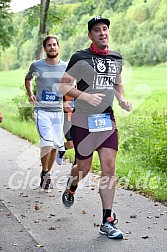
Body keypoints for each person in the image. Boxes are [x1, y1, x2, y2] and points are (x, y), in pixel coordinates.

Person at [60, 16, 132, 239]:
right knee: (84, 168)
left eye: (105, 29)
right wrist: (85, 96)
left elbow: (117, 82)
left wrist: (121, 99)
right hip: (83, 119)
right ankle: (72, 186)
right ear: (90, 35)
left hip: (106, 119)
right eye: (97, 30)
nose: (103, 32)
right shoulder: (80, 57)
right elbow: (63, 86)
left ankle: (107, 220)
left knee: (109, 168)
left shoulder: (115, 57)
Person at [25, 35, 66, 190]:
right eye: (49, 45)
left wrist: (70, 103)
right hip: (42, 110)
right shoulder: (37, 66)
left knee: (55, 144)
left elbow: (70, 86)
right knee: (47, 142)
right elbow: (28, 79)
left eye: (55, 45)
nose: (52, 47)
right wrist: (30, 94)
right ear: (45, 48)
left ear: (58, 47)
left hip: (58, 111)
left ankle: (46, 173)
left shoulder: (65, 67)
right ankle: (46, 172)